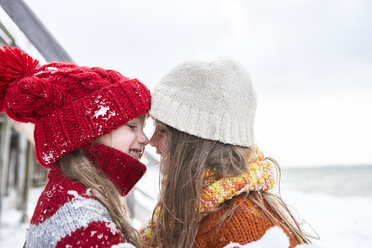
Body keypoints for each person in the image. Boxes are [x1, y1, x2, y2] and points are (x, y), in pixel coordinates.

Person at [140, 58, 315, 247]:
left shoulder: (242, 228)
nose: (152, 141)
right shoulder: (195, 208)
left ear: (197, 142)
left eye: (163, 130)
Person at [0, 46, 151, 247]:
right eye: (132, 126)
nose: (145, 139)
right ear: (89, 129)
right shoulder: (79, 220)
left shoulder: (74, 194)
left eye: (144, 128)